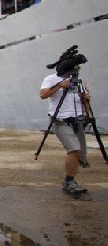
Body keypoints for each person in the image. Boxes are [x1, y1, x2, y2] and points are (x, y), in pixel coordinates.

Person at [40, 53, 92, 195]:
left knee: (80, 153)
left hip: (78, 120)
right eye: (75, 66)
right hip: (60, 120)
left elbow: (85, 101)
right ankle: (69, 182)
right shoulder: (51, 79)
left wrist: (87, 100)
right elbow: (43, 95)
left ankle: (71, 180)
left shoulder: (79, 81)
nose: (78, 69)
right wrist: (60, 85)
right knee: (74, 150)